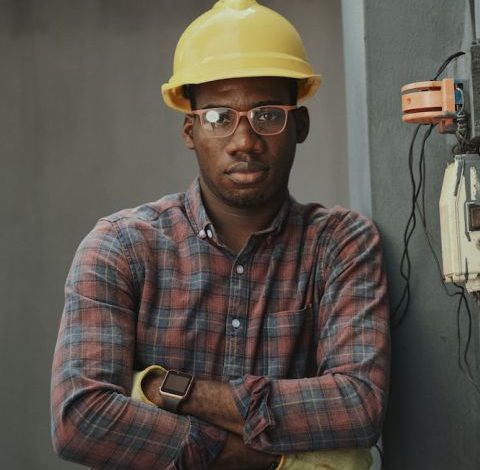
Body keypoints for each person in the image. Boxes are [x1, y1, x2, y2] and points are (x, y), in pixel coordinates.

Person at [50, 1, 389, 468]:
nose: (245, 140)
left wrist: (170, 390)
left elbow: (357, 406)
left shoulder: (338, 244)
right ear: (190, 130)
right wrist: (276, 463)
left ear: (301, 125)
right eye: (218, 118)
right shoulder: (121, 248)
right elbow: (81, 421)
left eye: (268, 115)